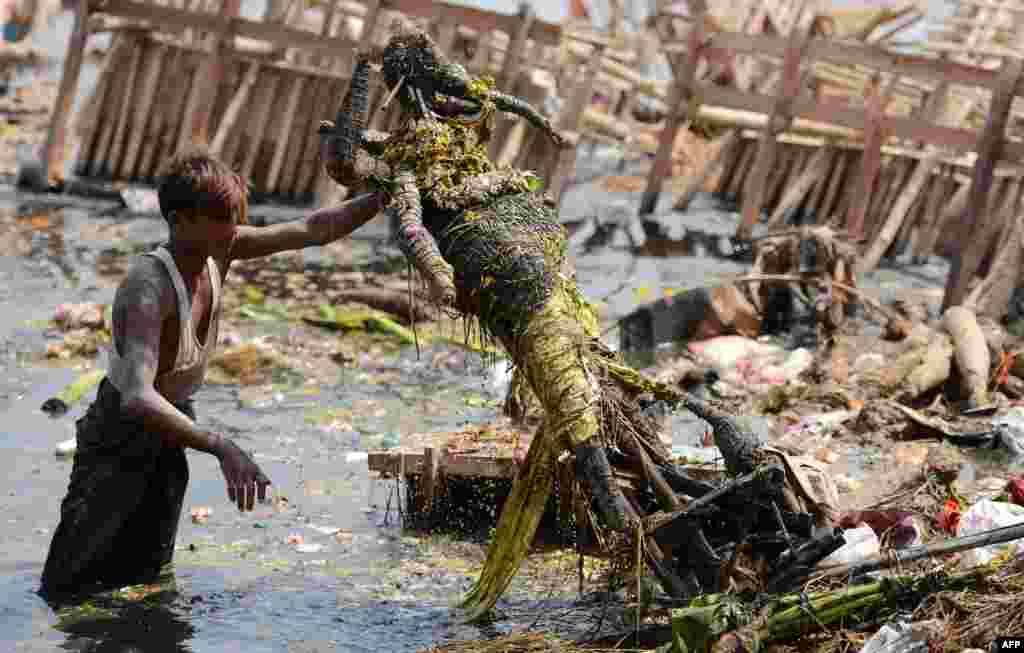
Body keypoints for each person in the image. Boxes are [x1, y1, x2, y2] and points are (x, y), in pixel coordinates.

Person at [40, 146, 387, 599]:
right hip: (116, 445)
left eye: (234, 217)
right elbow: (137, 396)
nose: (232, 230)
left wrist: (385, 194)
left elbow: (312, 229)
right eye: (221, 219)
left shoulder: (219, 249)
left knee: (147, 583)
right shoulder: (147, 288)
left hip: (170, 437)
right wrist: (222, 446)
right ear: (180, 220)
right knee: (70, 588)